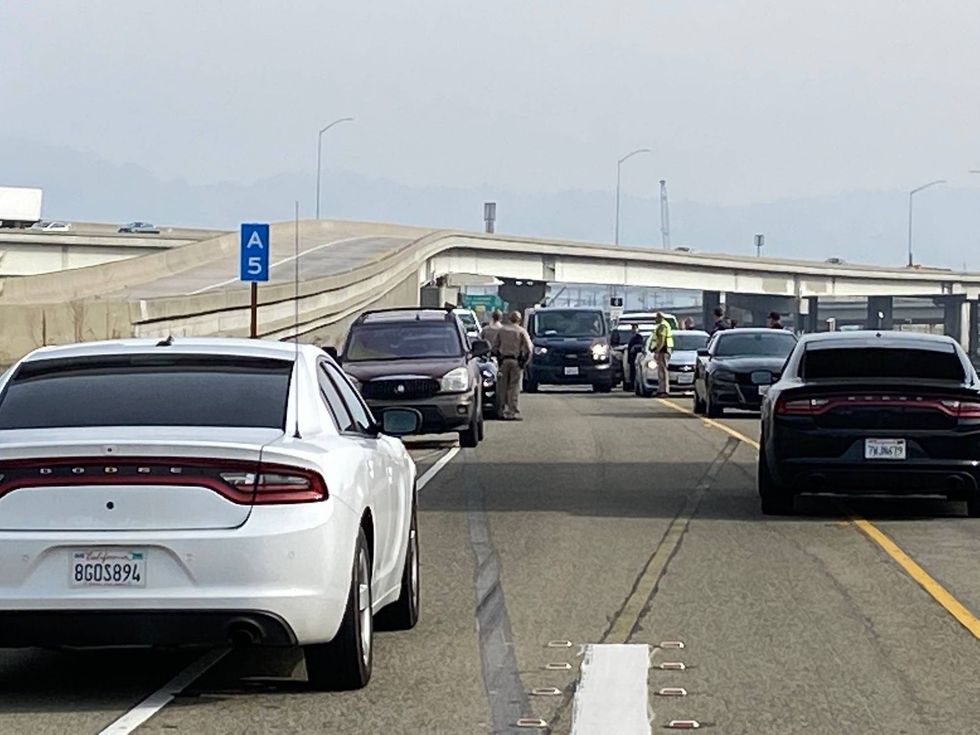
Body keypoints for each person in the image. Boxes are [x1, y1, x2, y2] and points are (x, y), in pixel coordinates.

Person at [491, 311, 534, 421]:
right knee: (514, 387)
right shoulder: (521, 331)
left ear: (509, 319)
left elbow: (494, 347)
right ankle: (512, 411)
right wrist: (524, 362)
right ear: (519, 320)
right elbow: (529, 349)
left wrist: (498, 358)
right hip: (516, 361)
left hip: (503, 361)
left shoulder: (502, 331)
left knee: (502, 387)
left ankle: (501, 410)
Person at [649, 312, 674, 397]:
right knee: (661, 372)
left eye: (656, 318)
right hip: (663, 351)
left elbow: (661, 340)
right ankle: (661, 390)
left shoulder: (662, 326)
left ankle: (664, 391)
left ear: (660, 318)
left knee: (663, 372)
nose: (655, 319)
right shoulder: (663, 325)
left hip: (663, 351)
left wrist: (657, 351)